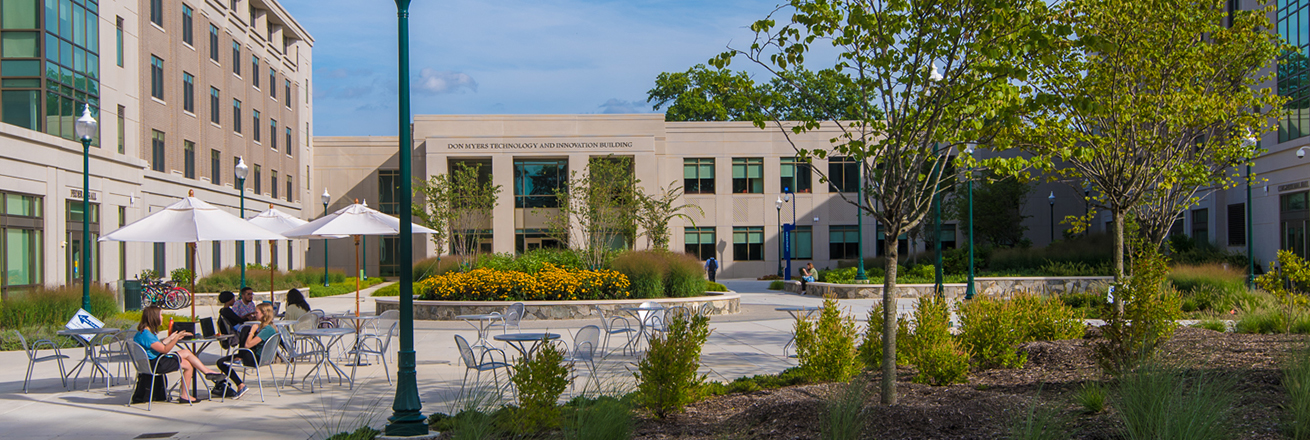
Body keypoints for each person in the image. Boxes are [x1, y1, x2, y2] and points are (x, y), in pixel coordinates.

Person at [132, 306, 225, 403]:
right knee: (187, 359)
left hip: (150, 363)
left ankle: (203, 376)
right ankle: (199, 380)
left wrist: (171, 338)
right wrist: (177, 338)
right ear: (153, 317)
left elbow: (158, 345)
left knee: (187, 362)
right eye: (160, 315)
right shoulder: (147, 335)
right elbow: (164, 349)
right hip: (156, 364)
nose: (162, 317)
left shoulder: (143, 333)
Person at [215, 303, 277, 399]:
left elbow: (248, 345)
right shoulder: (271, 327)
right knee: (245, 329)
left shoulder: (266, 329)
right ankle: (240, 363)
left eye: (257, 313)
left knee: (221, 362)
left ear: (264, 313)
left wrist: (252, 332)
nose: (254, 315)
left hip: (255, 359)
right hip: (262, 357)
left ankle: (240, 384)